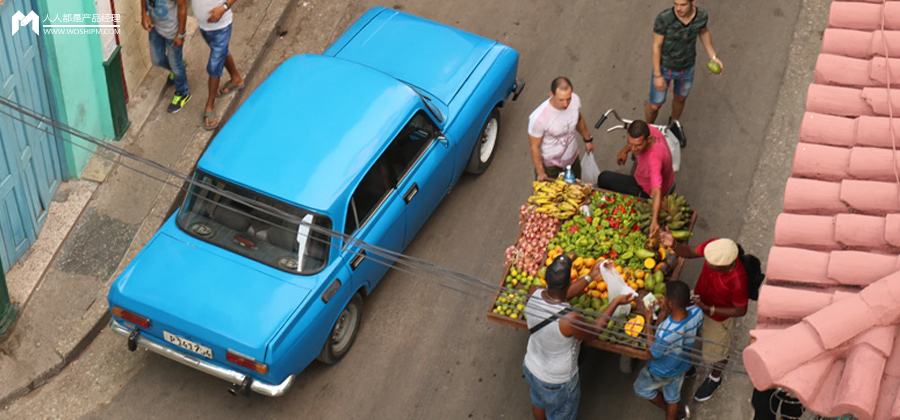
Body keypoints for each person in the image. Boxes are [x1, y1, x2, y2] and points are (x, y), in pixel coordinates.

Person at [523, 256, 634, 420]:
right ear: (568, 283)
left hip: (532, 366)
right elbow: (594, 331)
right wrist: (616, 301)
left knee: (539, 402)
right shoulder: (569, 319)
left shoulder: (535, 291)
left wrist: (590, 276)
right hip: (557, 382)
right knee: (562, 415)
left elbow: (560, 295)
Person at [658, 233, 748, 402]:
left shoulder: (737, 281)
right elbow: (691, 252)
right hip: (698, 300)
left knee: (718, 350)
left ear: (725, 266)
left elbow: (740, 310)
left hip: (717, 316)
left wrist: (710, 309)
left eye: (711, 264)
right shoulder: (714, 246)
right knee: (682, 331)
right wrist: (675, 244)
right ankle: (688, 367)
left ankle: (715, 377)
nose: (706, 263)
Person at [645, 0, 722, 127]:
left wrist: (713, 56)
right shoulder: (664, 19)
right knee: (654, 106)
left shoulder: (701, 16)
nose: (678, 8)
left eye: (683, 5)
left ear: (693, 2)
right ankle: (648, 129)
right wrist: (658, 75)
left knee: (680, 99)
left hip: (687, 68)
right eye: (675, 4)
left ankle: (673, 125)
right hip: (665, 69)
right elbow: (656, 46)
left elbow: (703, 31)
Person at [633, 280, 703, 420]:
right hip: (680, 365)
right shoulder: (697, 312)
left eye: (665, 297)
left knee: (640, 388)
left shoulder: (665, 331)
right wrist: (665, 305)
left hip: (661, 371)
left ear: (671, 303)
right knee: (673, 397)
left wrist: (648, 322)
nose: (662, 299)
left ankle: (669, 410)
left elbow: (653, 354)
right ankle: (675, 413)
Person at [596, 120, 673, 237]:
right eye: (630, 144)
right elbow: (633, 142)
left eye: (638, 145)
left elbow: (656, 191)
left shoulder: (654, 160)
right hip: (649, 176)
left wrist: (654, 221)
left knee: (604, 178)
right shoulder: (647, 129)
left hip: (646, 190)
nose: (633, 149)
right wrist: (624, 151)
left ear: (649, 139)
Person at [528, 77, 594, 181]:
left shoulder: (575, 100)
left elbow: (579, 119)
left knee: (577, 191)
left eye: (568, 98)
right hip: (551, 166)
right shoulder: (539, 117)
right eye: (561, 100)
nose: (566, 104)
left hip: (572, 159)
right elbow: (534, 146)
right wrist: (541, 172)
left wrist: (587, 139)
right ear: (551, 94)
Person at [192, 0, 245, 130]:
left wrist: (224, 7)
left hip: (221, 27)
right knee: (221, 53)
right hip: (204, 26)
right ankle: (236, 79)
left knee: (214, 65)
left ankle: (210, 105)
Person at [141, 0, 190, 113]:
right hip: (155, 28)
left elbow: (182, 7)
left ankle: (183, 93)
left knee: (176, 64)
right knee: (157, 60)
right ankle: (178, 69)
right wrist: (144, 13)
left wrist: (180, 34)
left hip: (173, 32)